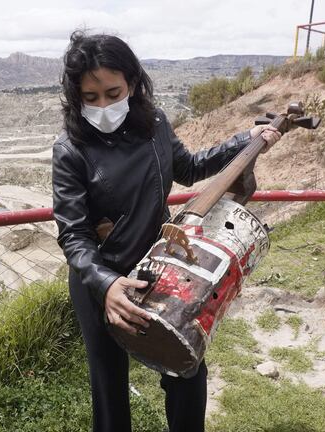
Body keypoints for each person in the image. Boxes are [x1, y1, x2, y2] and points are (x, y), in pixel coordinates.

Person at [52, 31, 281, 432]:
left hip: (160, 268)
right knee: (109, 389)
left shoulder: (153, 124)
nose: (103, 105)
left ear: (133, 84)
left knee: (186, 370)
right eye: (91, 98)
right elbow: (74, 235)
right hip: (101, 280)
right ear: (76, 96)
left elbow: (190, 167)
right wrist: (106, 285)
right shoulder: (71, 149)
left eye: (112, 92)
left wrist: (246, 141)